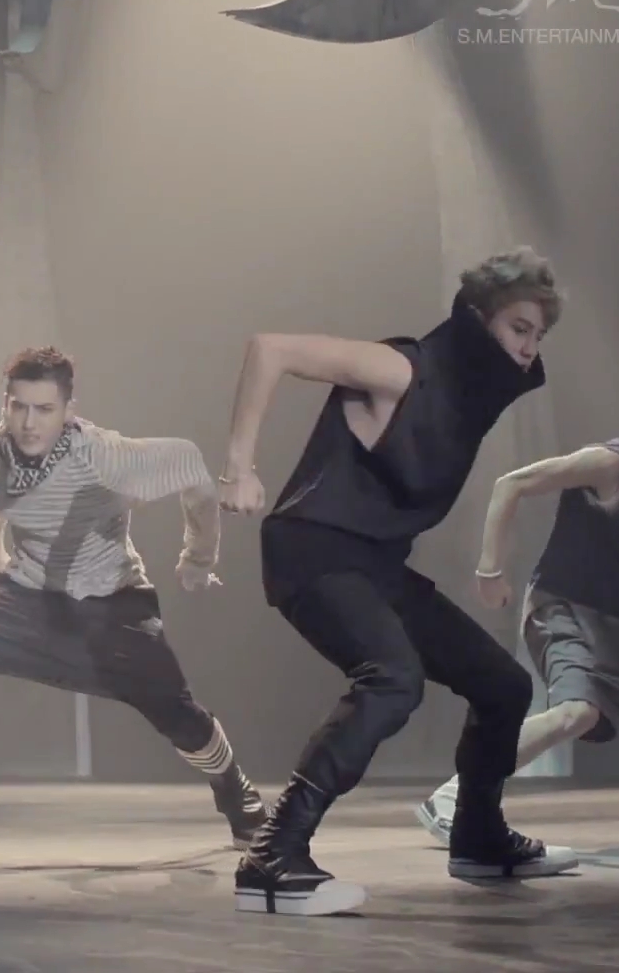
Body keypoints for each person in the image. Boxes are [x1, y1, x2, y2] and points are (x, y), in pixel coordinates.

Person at [217, 248, 579, 918]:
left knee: (504, 685)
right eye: (518, 328)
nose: (529, 348)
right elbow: (271, 349)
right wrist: (239, 467)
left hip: (373, 565)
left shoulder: (470, 401)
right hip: (312, 548)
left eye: (538, 335)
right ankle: (273, 855)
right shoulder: (402, 369)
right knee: (392, 678)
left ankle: (477, 838)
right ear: (479, 320)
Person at [0, 347, 269, 861]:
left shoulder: (105, 456)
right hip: (29, 594)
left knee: (178, 714)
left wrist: (197, 559)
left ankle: (234, 790)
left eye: (44, 409)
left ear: (68, 410)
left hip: (111, 605)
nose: (29, 423)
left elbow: (191, 468)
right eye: (19, 407)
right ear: (5, 405)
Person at [415, 355, 619, 840]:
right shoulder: (611, 462)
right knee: (576, 713)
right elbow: (512, 483)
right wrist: (490, 569)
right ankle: (454, 795)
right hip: (567, 612)